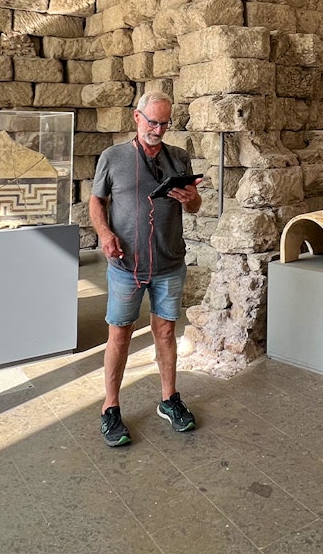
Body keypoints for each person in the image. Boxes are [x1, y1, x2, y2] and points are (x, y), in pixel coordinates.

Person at [89, 91, 202, 447]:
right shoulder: (113, 157)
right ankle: (111, 407)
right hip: (126, 263)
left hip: (168, 262)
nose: (158, 129)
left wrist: (191, 199)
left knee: (166, 332)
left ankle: (169, 400)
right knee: (120, 334)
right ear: (136, 117)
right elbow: (96, 200)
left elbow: (195, 207)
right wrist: (104, 232)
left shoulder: (178, 157)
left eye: (164, 123)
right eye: (152, 121)